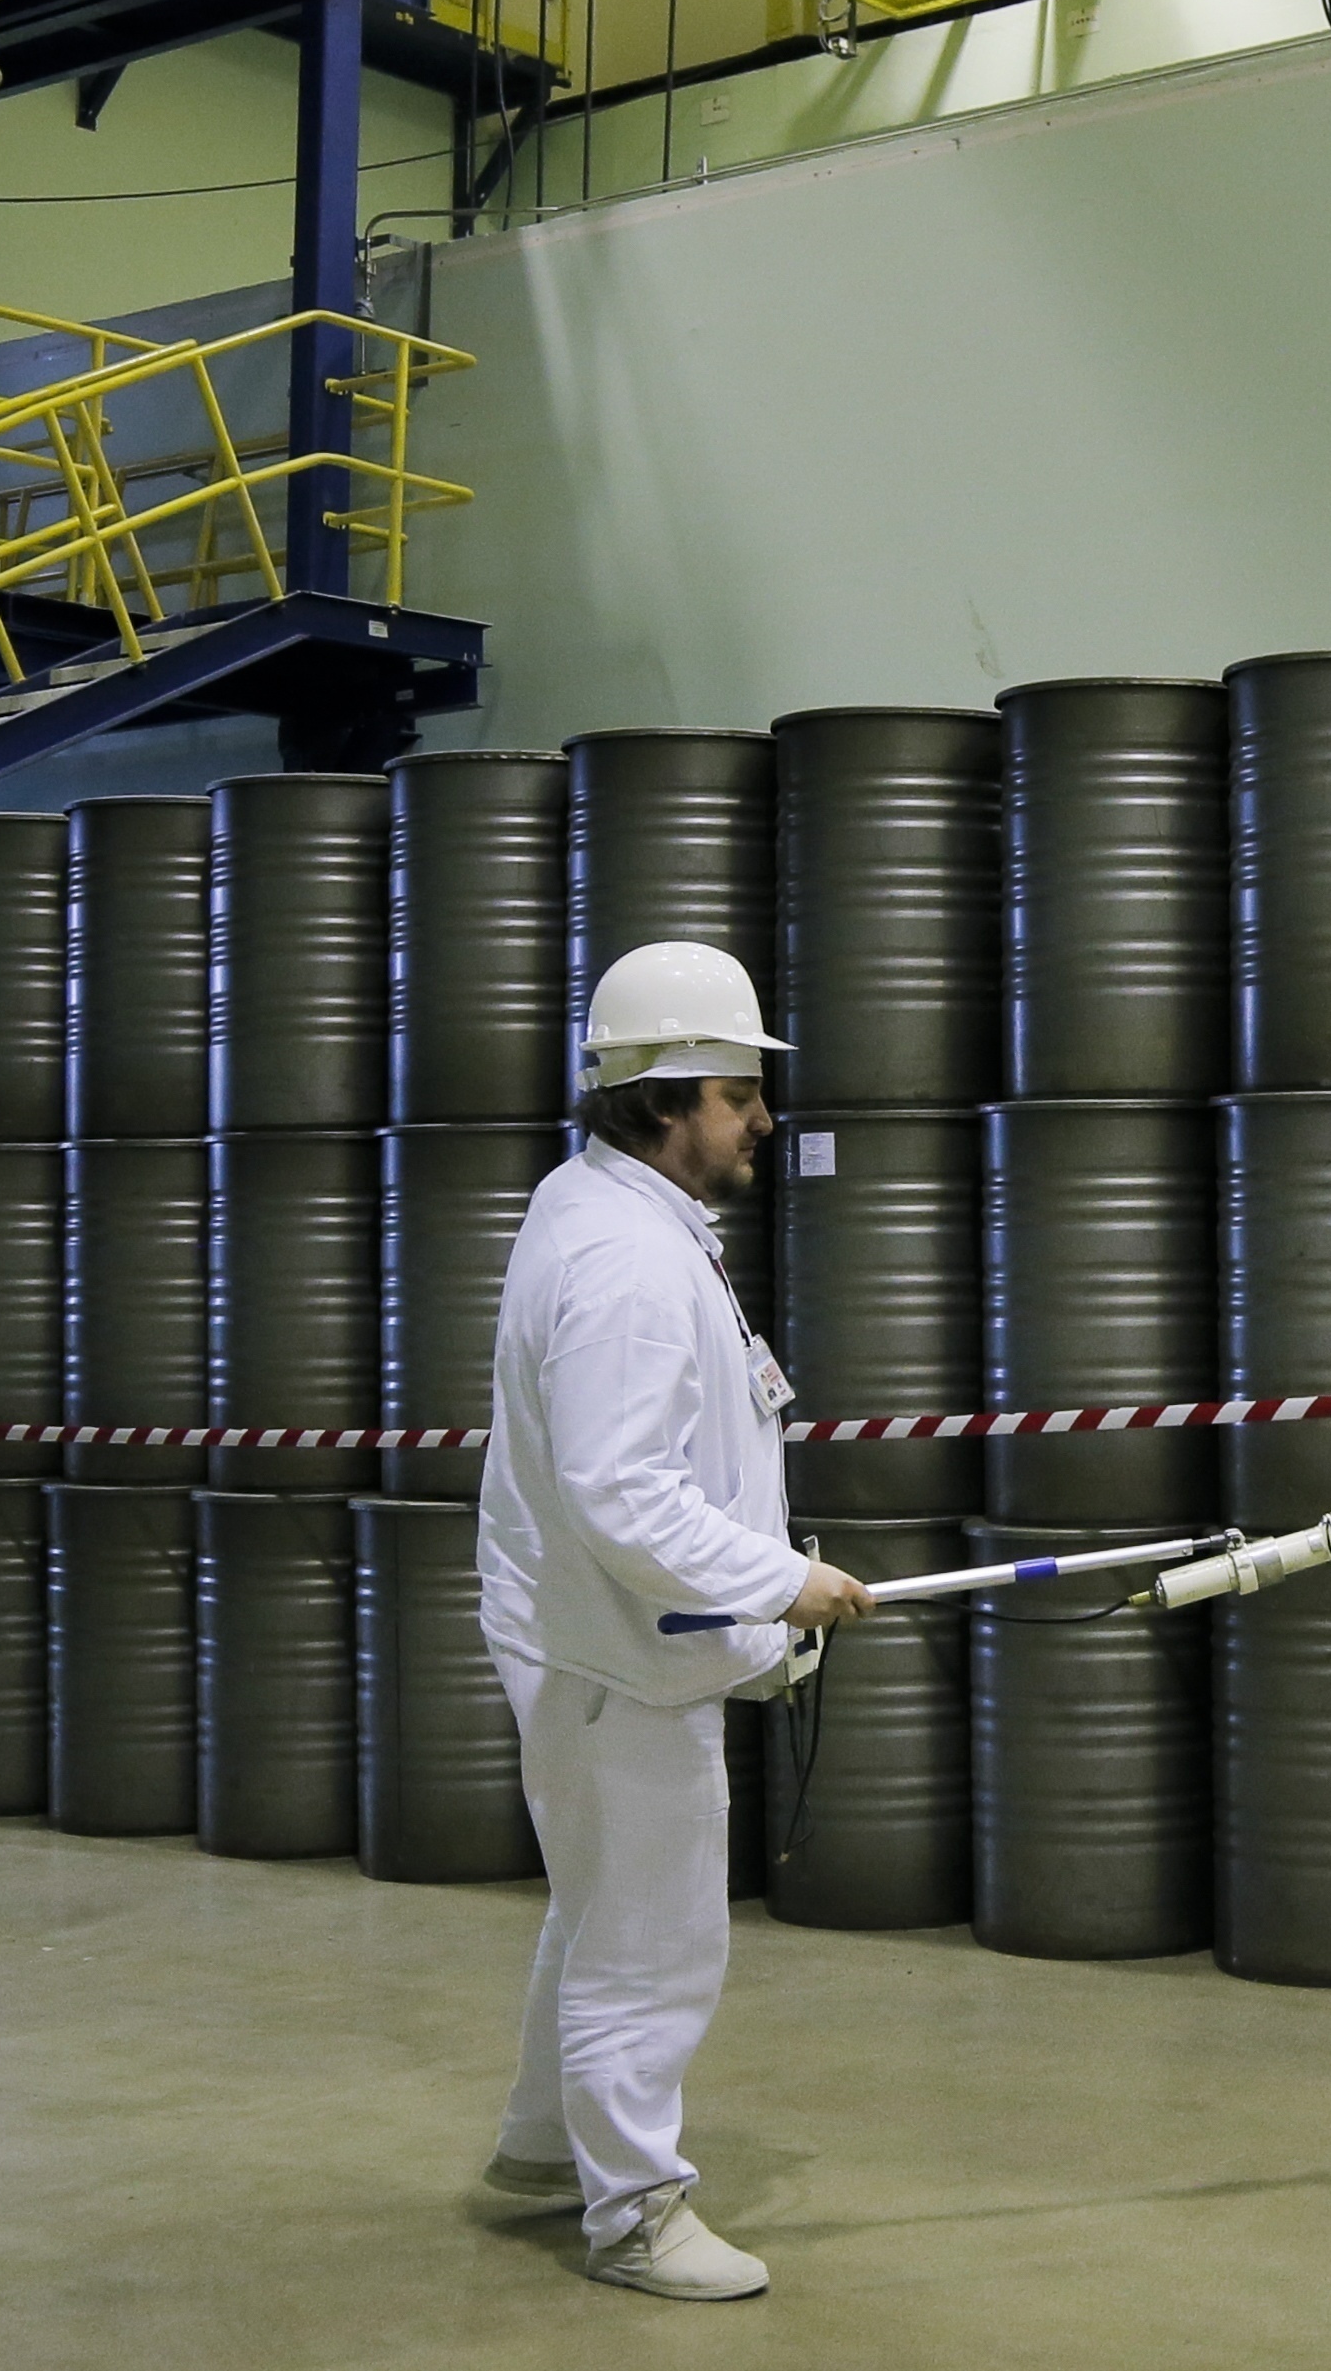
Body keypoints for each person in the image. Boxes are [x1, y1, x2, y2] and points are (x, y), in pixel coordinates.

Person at [466, 939, 874, 2299]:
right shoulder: (629, 1266)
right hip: (616, 1654)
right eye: (737, 1093)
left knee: (600, 1910)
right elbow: (621, 1490)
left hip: (600, 1637)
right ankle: (635, 2212)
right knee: (653, 1940)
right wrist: (773, 1579)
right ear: (663, 1099)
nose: (762, 1117)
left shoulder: (600, 1209)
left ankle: (544, 2147)